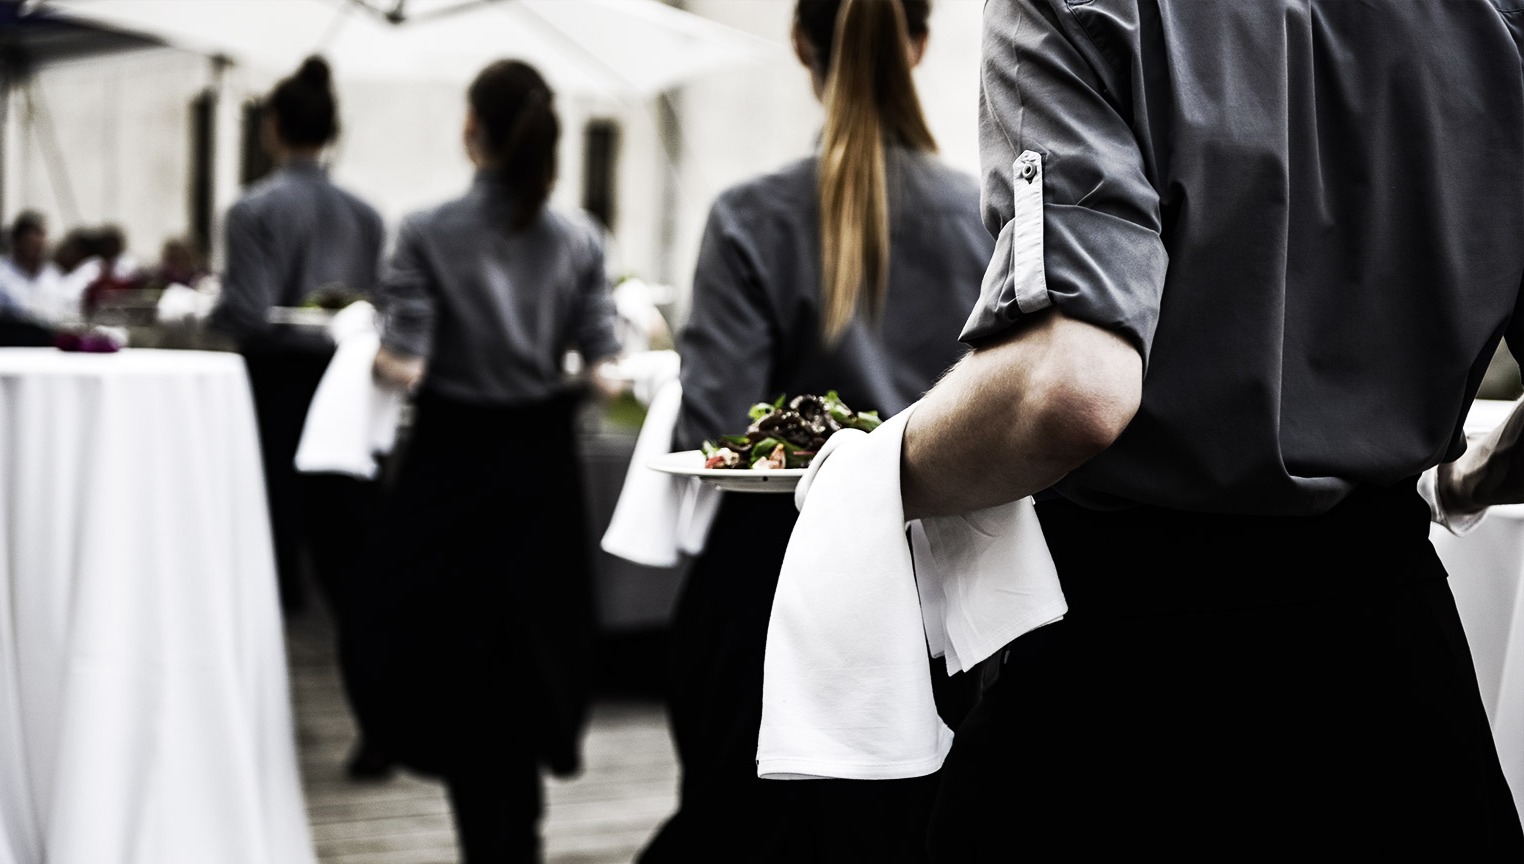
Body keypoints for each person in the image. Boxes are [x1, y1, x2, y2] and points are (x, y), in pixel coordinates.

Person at [892, 1, 1524, 858]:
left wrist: (874, 474)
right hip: (1397, 675)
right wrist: (1463, 480)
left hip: (1127, 687)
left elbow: (1071, 388)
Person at [638, 2, 991, 860]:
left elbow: (720, 429)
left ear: (800, 42)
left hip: (775, 587)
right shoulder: (987, 216)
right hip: (943, 593)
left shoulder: (749, 218)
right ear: (920, 42)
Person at [343, 59, 621, 864]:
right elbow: (604, 369)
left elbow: (407, 363)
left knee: (456, 667)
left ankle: (485, 843)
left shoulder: (425, 230)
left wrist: (367, 355)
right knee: (530, 656)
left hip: (451, 471)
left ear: (472, 129)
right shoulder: (579, 236)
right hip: (541, 472)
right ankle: (521, 840)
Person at [207, 56, 385, 617]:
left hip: (277, 382)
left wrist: (208, 316)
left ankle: (277, 626)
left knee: (273, 518)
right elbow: (374, 306)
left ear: (272, 127)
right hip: (347, 384)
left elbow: (251, 315)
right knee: (342, 528)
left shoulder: (251, 210)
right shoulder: (367, 214)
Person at [0, 210, 72, 322]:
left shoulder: (53, 275)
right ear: (17, 242)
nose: (35, 249)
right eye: (29, 243)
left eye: (39, 243)